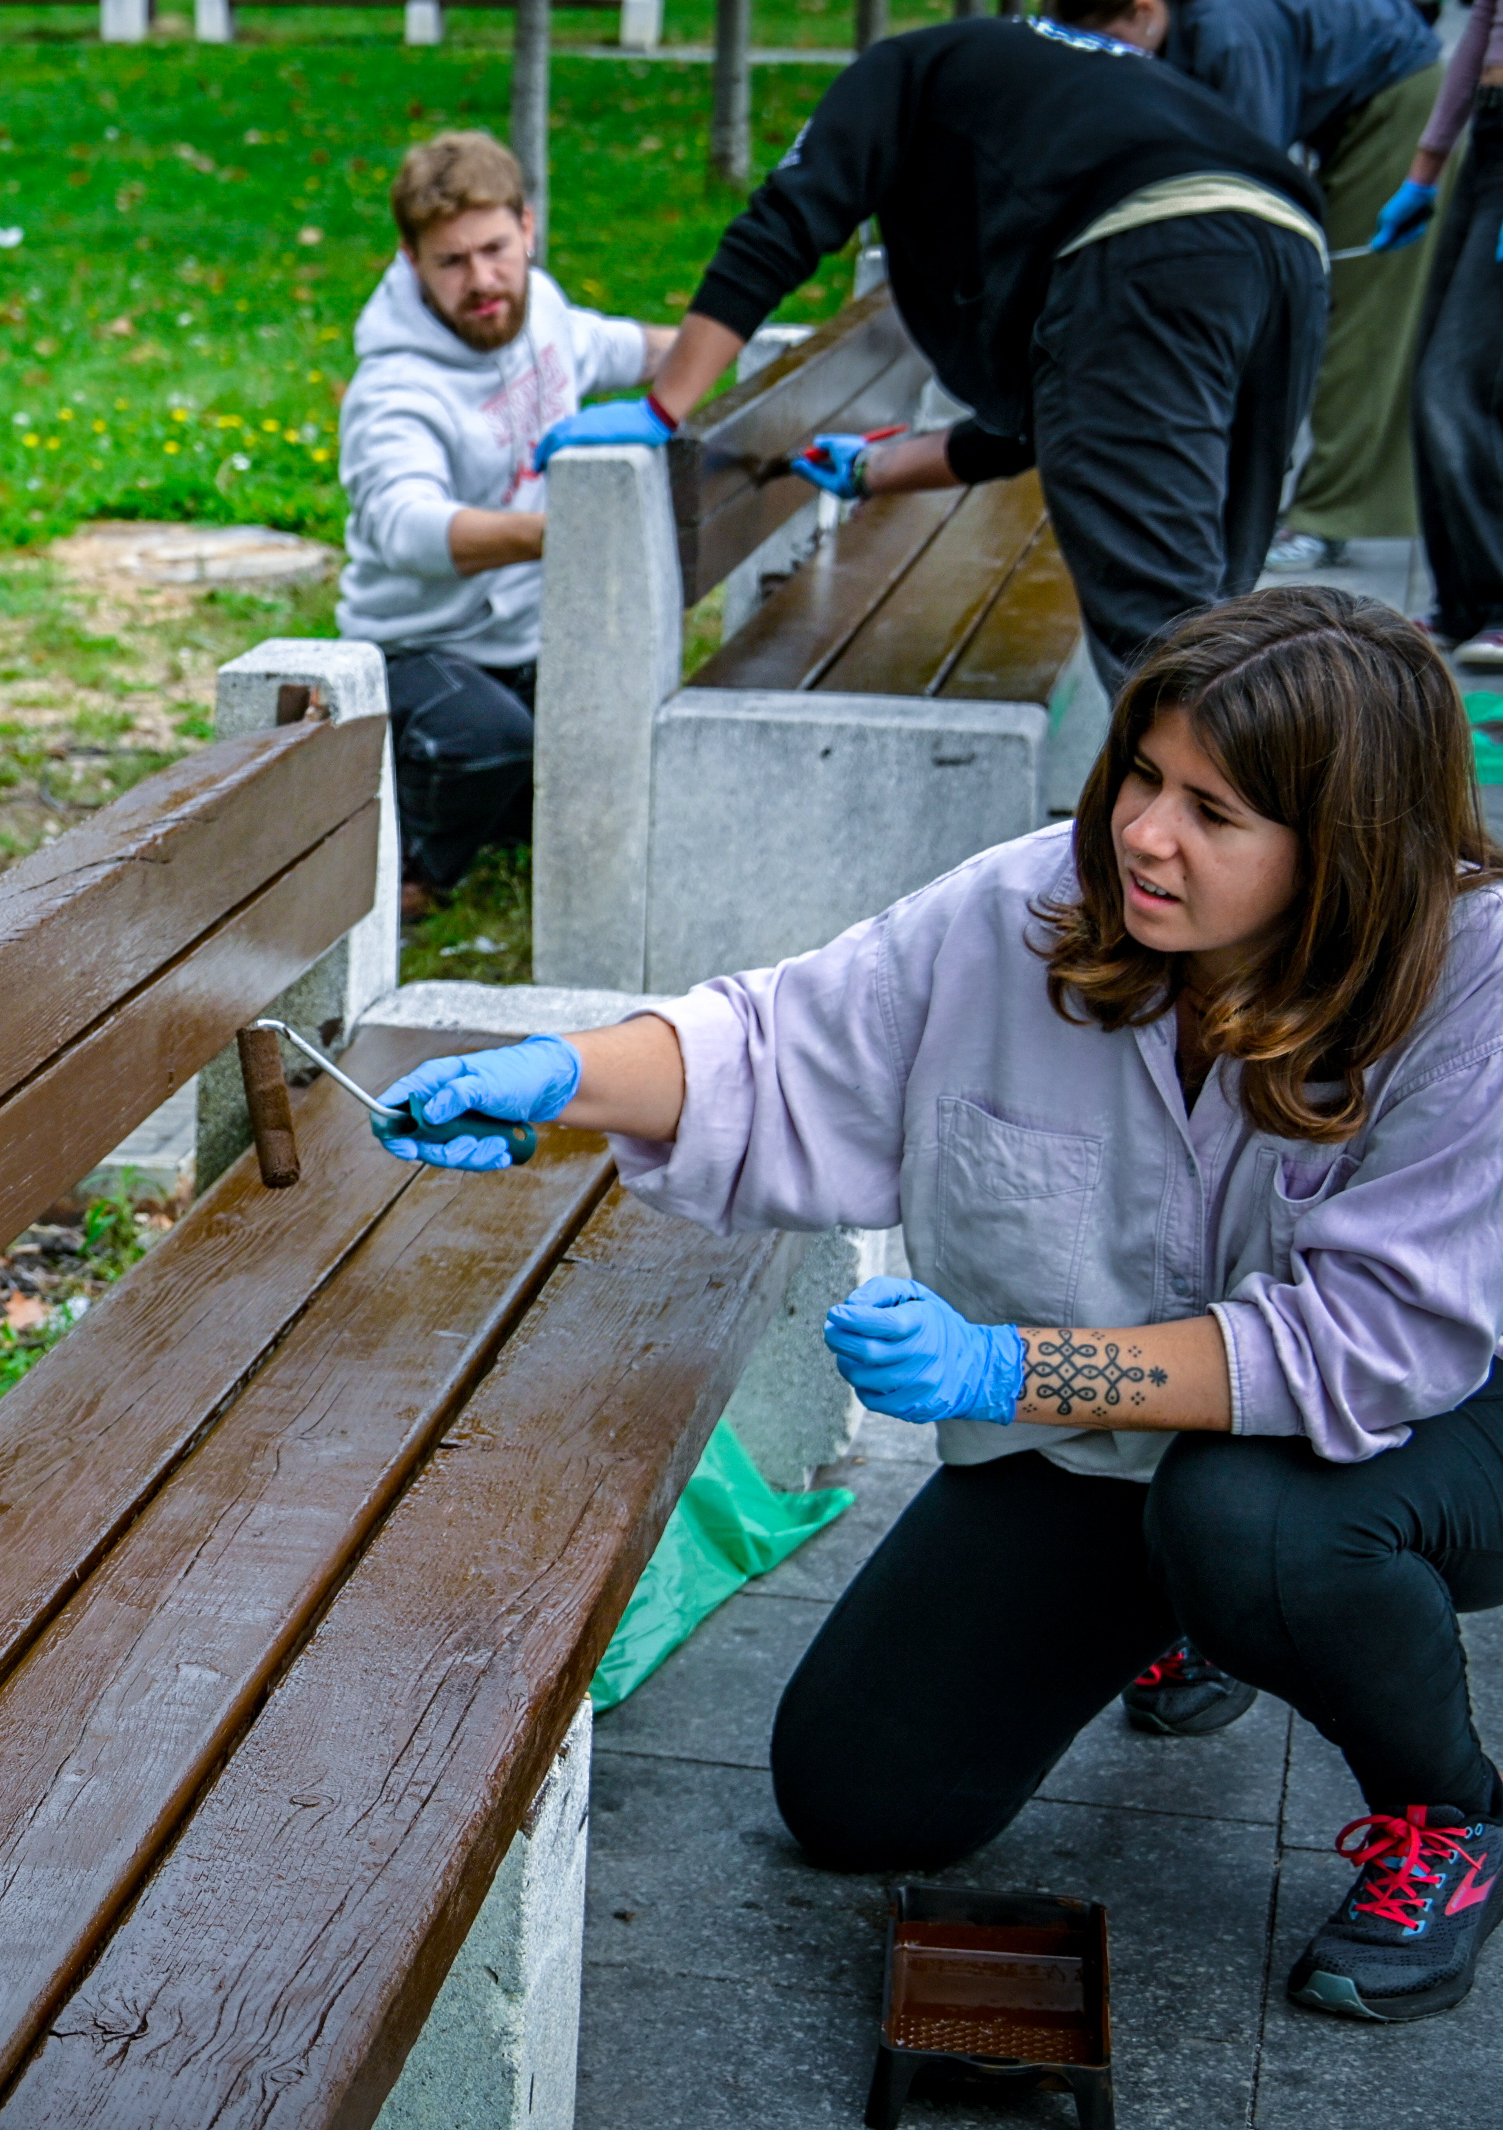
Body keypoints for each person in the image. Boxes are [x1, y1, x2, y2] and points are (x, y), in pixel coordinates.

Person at [377, 587, 1503, 2024]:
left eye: (1215, 814)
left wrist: (1005, 1368)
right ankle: (1178, 1607)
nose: (1147, 834)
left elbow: (1374, 1346)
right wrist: (558, 1079)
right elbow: (786, 1046)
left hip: (1439, 1427)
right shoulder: (1040, 904)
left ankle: (1447, 1811)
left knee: (1251, 1524)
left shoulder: (1471, 977)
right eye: (1144, 777)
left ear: (1344, 851)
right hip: (1116, 1430)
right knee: (857, 1795)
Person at [534, 15, 1329, 697]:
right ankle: (1254, 832)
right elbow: (1066, 412)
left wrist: (661, 407)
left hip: (1150, 250)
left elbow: (781, 225)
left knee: (1170, 652)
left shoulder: (894, 73)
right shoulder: (1042, 104)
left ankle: (1218, 853)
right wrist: (880, 472)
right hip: (1290, 247)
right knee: (1222, 613)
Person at [334, 132, 672, 919]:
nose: (482, 281)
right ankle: (405, 877)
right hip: (419, 645)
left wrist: (733, 343)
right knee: (487, 740)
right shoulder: (394, 390)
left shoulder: (541, 306)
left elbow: (620, 348)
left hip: (531, 636)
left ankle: (494, 803)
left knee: (625, 726)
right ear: (412, 260)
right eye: (451, 262)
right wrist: (566, 530)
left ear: (528, 226)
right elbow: (408, 530)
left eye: (494, 249)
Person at [1048, 0, 1448, 567]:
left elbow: (1246, 171)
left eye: (1112, 42)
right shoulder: (1181, 16)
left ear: (1144, 10)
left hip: (1399, 110)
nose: (1111, 61)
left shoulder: (1227, 30)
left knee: (1361, 324)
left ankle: (1323, 520)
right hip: (1350, 113)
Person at [1371, 0, 1503, 674]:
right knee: (1429, 370)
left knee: (1458, 385)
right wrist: (1426, 168)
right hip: (1490, 129)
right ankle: (1460, 602)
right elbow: (1484, 16)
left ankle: (1497, 602)